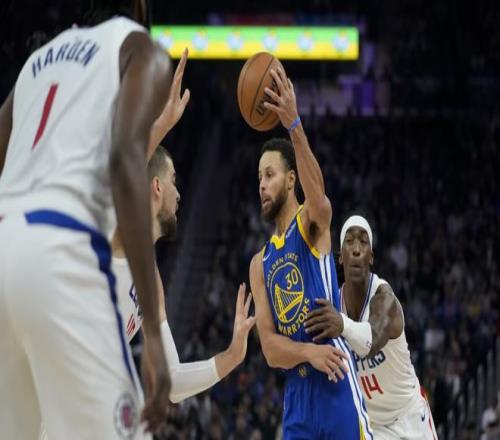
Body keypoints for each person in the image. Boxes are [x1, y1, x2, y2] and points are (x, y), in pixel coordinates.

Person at [0, 0, 173, 438]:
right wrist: (153, 337)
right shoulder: (140, 49)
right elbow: (125, 159)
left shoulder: (40, 61)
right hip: (60, 251)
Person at [249, 69, 373, 439]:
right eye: (259, 178)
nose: (262, 185)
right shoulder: (259, 263)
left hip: (335, 377)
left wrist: (294, 124)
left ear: (291, 180)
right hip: (297, 396)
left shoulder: (310, 224)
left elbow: (320, 199)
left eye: (270, 175)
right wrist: (307, 354)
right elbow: (270, 349)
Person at [112, 145, 256, 404]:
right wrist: (164, 126)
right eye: (173, 180)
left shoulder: (151, 282)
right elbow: (125, 173)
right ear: (156, 186)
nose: (179, 194)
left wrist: (232, 356)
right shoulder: (120, 233)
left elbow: (172, 381)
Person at [305, 215, 438, 439]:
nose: (356, 249)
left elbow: (371, 340)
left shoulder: (385, 299)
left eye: (363, 242)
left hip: (409, 416)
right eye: (349, 241)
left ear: (371, 257)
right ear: (341, 256)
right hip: (371, 426)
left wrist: (342, 323)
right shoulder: (333, 306)